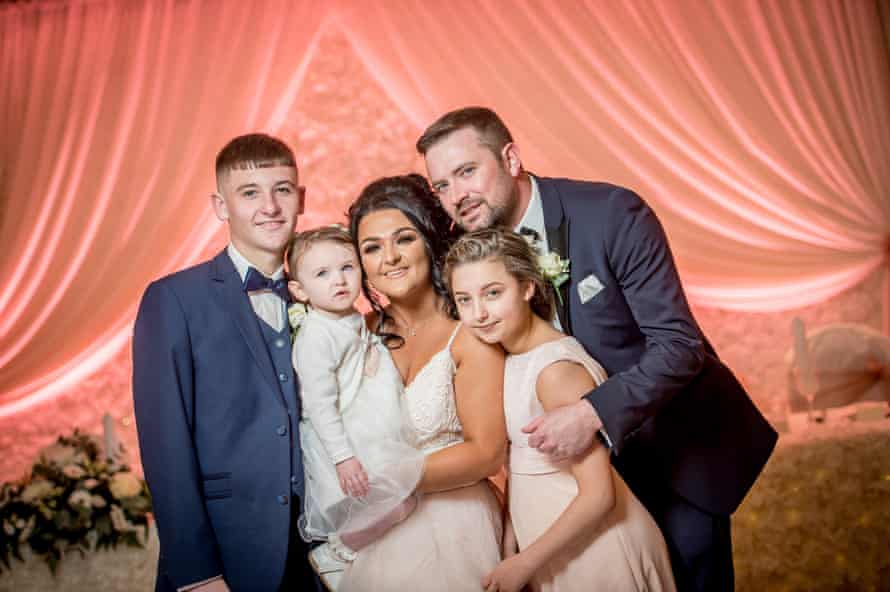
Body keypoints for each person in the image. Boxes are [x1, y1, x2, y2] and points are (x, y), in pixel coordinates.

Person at [418, 107, 778, 592]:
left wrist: (591, 414)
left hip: (670, 454)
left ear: (511, 157)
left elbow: (679, 345)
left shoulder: (611, 214)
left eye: (467, 172)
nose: (457, 196)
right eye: (442, 186)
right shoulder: (474, 259)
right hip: (571, 486)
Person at [133, 133, 318, 591]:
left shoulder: (325, 291)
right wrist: (197, 574)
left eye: (282, 189)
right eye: (250, 193)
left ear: (302, 198)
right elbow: (165, 446)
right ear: (221, 207)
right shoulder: (173, 299)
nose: (270, 206)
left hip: (321, 553)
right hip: (228, 555)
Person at [446, 227, 675, 592]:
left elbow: (599, 495)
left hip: (599, 550)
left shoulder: (555, 371)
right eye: (465, 300)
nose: (479, 313)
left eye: (493, 293)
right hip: (549, 547)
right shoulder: (508, 356)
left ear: (527, 287)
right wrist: (510, 547)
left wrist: (525, 562)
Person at [337, 174, 506, 592]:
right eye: (372, 248)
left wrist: (385, 479)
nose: (389, 257)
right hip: (377, 532)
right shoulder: (356, 333)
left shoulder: (468, 331)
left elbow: (486, 454)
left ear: (429, 240)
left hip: (456, 527)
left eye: (404, 239)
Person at [285, 225, 424, 589]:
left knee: (403, 508)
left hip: (367, 425)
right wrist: (343, 457)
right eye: (322, 274)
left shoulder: (349, 318)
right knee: (398, 504)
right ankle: (336, 551)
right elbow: (319, 405)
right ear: (299, 290)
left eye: (347, 268)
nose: (339, 280)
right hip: (343, 439)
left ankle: (361, 559)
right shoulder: (316, 335)